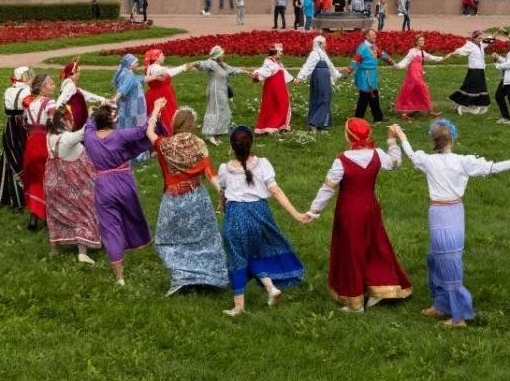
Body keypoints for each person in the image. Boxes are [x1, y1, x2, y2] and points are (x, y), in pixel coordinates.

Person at [394, 120, 510, 327]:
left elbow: (412, 154)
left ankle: (460, 316)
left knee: (448, 263)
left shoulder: (429, 161)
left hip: (444, 213)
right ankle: (441, 305)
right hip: (446, 213)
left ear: (433, 140)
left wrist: (401, 135)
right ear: (453, 139)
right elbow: (492, 167)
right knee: (436, 258)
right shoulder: (461, 161)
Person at [308, 118, 412, 311]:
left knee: (351, 251)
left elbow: (328, 188)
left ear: (349, 136)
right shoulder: (378, 154)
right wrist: (391, 141)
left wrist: (314, 211)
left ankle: (355, 301)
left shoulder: (342, 160)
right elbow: (395, 163)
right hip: (370, 208)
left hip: (349, 211)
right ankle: (380, 288)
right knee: (375, 246)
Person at [218, 125, 309, 315]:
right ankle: (271, 288)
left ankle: (238, 306)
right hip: (260, 214)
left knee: (237, 258)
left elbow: (223, 192)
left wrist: (222, 205)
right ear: (251, 144)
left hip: (236, 217)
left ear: (232, 147)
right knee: (255, 253)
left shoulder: (225, 169)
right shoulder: (263, 163)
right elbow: (275, 190)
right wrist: (296, 213)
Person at [152, 107, 228, 295]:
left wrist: (155, 111)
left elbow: (148, 133)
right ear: (192, 125)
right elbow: (210, 174)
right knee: (204, 237)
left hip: (173, 200)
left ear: (175, 123)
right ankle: (207, 277)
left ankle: (182, 276)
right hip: (197, 198)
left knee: (170, 240)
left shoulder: (164, 144)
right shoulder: (199, 144)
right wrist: (222, 194)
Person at [84, 100, 160, 286]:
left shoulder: (89, 137)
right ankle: (137, 241)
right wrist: (156, 108)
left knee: (110, 229)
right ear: (111, 121)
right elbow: (144, 129)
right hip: (123, 182)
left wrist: (91, 111)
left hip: (102, 185)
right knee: (132, 215)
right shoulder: (120, 136)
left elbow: (88, 123)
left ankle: (119, 277)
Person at [43, 106, 100, 264]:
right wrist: (90, 115)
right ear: (64, 121)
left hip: (54, 182)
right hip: (73, 183)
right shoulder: (67, 138)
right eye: (70, 119)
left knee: (57, 214)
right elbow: (86, 131)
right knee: (83, 211)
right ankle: (82, 252)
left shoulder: (49, 137)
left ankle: (56, 248)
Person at [20, 73, 56, 231]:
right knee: (49, 179)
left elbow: (25, 124)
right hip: (44, 143)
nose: (54, 85)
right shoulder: (49, 103)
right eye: (50, 83)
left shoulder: (30, 104)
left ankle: (33, 217)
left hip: (31, 144)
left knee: (34, 179)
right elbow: (55, 122)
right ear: (42, 88)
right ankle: (50, 217)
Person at [0, 66, 32, 210]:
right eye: (29, 75)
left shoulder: (8, 90)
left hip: (9, 125)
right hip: (22, 126)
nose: (31, 77)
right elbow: (29, 110)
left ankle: (9, 195)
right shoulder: (27, 91)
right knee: (23, 154)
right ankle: (25, 195)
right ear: (23, 77)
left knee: (10, 155)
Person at [196, 45, 247, 144]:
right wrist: (196, 63)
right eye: (222, 54)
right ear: (217, 55)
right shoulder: (212, 63)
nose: (223, 55)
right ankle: (211, 135)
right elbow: (203, 64)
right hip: (215, 92)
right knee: (215, 112)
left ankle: (216, 134)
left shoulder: (222, 64)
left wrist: (244, 71)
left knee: (224, 112)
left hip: (221, 91)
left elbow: (232, 70)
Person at [294, 35, 342, 130]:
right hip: (319, 78)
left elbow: (330, 66)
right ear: (320, 44)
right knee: (322, 98)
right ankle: (314, 123)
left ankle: (322, 123)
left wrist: (337, 75)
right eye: (324, 43)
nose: (326, 45)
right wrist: (300, 76)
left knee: (324, 98)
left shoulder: (323, 54)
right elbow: (308, 66)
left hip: (324, 77)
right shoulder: (315, 53)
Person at [344, 29, 391, 122]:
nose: (375, 36)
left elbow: (382, 54)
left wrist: (392, 62)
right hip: (364, 75)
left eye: (375, 35)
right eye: (373, 35)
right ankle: (358, 118)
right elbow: (356, 60)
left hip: (372, 75)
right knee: (364, 96)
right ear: (366, 36)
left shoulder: (373, 47)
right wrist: (348, 71)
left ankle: (377, 117)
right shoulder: (362, 47)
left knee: (373, 95)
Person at [394, 34, 445, 119]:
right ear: (416, 42)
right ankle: (430, 111)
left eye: (423, 40)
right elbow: (406, 60)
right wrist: (399, 65)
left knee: (413, 92)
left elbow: (430, 57)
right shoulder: (412, 51)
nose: (422, 42)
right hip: (413, 74)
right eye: (420, 40)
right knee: (422, 89)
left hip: (419, 73)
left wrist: (442, 58)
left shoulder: (422, 52)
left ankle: (407, 112)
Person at [144, 49, 193, 136]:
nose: (164, 57)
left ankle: (162, 132)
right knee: (166, 114)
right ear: (156, 58)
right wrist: (184, 67)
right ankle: (166, 134)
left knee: (164, 113)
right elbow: (169, 73)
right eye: (162, 55)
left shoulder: (153, 67)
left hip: (159, 93)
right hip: (160, 94)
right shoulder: (155, 68)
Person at [252, 43, 293, 135]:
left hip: (279, 88)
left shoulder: (277, 62)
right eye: (280, 52)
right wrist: (257, 74)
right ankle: (271, 126)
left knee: (282, 104)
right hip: (273, 89)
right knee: (273, 105)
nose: (282, 53)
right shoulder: (269, 62)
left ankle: (279, 125)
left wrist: (292, 79)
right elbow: (264, 70)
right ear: (275, 52)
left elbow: (283, 72)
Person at [448, 31, 492, 115]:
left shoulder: (481, 44)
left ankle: (475, 105)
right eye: (479, 38)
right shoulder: (470, 45)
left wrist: (497, 32)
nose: (480, 39)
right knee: (470, 88)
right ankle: (461, 105)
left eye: (481, 38)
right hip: (474, 71)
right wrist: (452, 53)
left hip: (480, 70)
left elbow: (489, 39)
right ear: (474, 38)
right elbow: (461, 50)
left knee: (480, 88)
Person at [57, 60, 106, 129]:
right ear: (73, 73)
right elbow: (62, 99)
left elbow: (86, 95)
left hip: (77, 117)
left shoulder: (71, 84)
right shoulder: (70, 86)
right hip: (75, 119)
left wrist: (101, 99)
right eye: (78, 72)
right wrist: (55, 111)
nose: (80, 74)